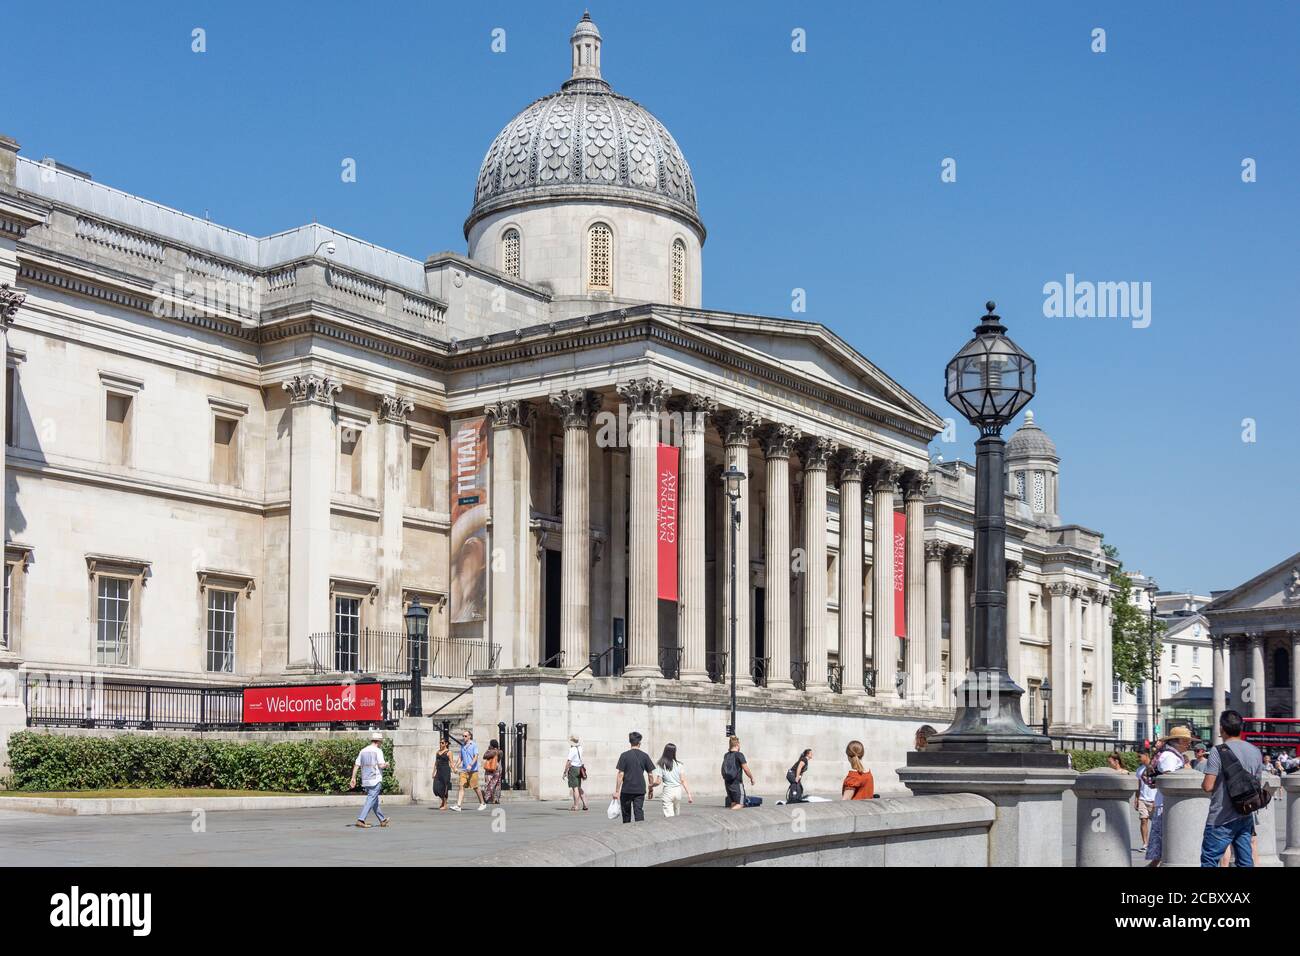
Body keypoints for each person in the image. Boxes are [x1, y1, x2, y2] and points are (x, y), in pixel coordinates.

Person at [1200, 709, 1264, 868]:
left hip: (1221, 817)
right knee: (1245, 861)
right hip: (1245, 814)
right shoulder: (1255, 751)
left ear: (1222, 728)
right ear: (1241, 728)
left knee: (1209, 860)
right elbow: (1257, 784)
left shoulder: (1218, 751)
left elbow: (1208, 786)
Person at [1145, 726, 1196, 866]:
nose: (1189, 743)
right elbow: (1170, 779)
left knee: (1165, 847)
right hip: (1166, 803)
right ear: (1179, 740)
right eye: (1187, 740)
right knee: (1166, 843)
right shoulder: (1169, 757)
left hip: (1169, 803)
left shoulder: (1175, 756)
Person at [613, 731, 657, 823]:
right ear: (639, 743)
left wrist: (617, 791)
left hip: (626, 789)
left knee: (626, 814)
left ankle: (626, 832)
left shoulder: (624, 755)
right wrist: (651, 788)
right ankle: (640, 831)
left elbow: (620, 774)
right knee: (638, 811)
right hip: (640, 789)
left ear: (630, 742)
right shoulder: (645, 756)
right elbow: (650, 774)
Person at [349, 732, 390, 828]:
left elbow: (357, 765)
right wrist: (387, 764)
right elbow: (381, 765)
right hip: (375, 779)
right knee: (371, 799)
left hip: (366, 780)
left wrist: (353, 778)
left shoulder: (363, 751)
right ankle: (361, 819)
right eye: (381, 742)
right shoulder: (378, 751)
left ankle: (382, 820)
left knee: (373, 800)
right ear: (378, 742)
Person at [652, 743, 693, 818]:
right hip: (678, 791)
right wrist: (689, 795)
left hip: (668, 791)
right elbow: (683, 780)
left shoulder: (661, 764)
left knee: (669, 816)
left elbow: (658, 782)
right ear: (674, 752)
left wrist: (651, 785)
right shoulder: (679, 764)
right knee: (676, 814)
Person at [451, 730, 487, 812]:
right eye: (463, 736)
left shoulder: (474, 745)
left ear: (470, 736)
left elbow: (476, 756)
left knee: (475, 787)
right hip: (464, 770)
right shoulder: (462, 746)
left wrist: (471, 765)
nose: (464, 737)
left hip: (473, 770)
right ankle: (458, 805)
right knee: (461, 786)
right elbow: (460, 757)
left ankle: (482, 803)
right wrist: (455, 766)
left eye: (465, 736)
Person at [721, 736, 756, 809]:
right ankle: (729, 813)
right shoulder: (739, 755)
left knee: (733, 803)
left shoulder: (726, 755)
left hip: (727, 783)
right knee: (740, 804)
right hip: (737, 783)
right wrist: (751, 777)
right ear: (737, 745)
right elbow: (746, 769)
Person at [1134, 750, 1156, 850]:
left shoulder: (1155, 767)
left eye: (1139, 756)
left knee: (1156, 823)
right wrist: (1136, 798)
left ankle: (1155, 844)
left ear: (1146, 755)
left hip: (1154, 799)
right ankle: (1145, 844)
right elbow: (1138, 786)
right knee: (1143, 820)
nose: (1138, 758)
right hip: (1142, 798)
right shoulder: (1139, 770)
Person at [564, 735, 588, 811]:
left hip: (573, 769)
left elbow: (569, 761)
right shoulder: (580, 748)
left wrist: (565, 771)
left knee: (575, 788)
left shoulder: (572, 749)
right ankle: (585, 804)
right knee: (579, 787)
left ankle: (576, 806)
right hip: (579, 768)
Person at [432, 735, 452, 811]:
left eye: (442, 743)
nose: (441, 744)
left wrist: (454, 769)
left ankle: (445, 804)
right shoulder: (438, 752)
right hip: (439, 771)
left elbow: (451, 762)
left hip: (446, 771)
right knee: (436, 788)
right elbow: (436, 763)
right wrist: (433, 772)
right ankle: (443, 800)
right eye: (440, 743)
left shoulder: (449, 752)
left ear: (446, 744)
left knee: (444, 788)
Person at [482, 738, 503, 805]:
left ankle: (487, 798)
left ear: (492, 745)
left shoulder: (492, 751)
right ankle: (496, 799)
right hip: (498, 768)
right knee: (497, 784)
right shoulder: (500, 751)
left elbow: (484, 756)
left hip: (491, 768)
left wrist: (488, 750)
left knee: (489, 783)